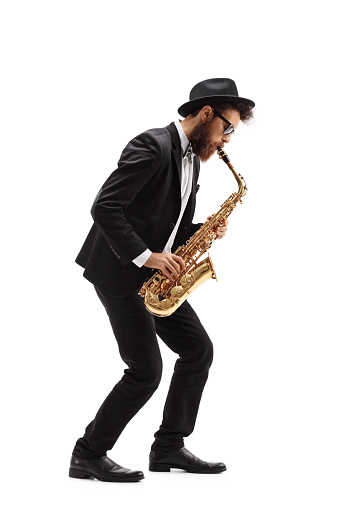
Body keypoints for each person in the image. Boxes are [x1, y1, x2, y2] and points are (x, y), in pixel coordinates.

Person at [69, 78, 255, 482]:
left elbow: (165, 224)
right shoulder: (152, 145)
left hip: (155, 278)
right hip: (120, 272)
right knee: (145, 370)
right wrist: (146, 256)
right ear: (206, 114)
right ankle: (87, 454)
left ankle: (169, 446)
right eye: (228, 127)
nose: (227, 139)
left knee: (197, 350)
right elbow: (105, 207)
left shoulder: (191, 158)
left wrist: (205, 228)